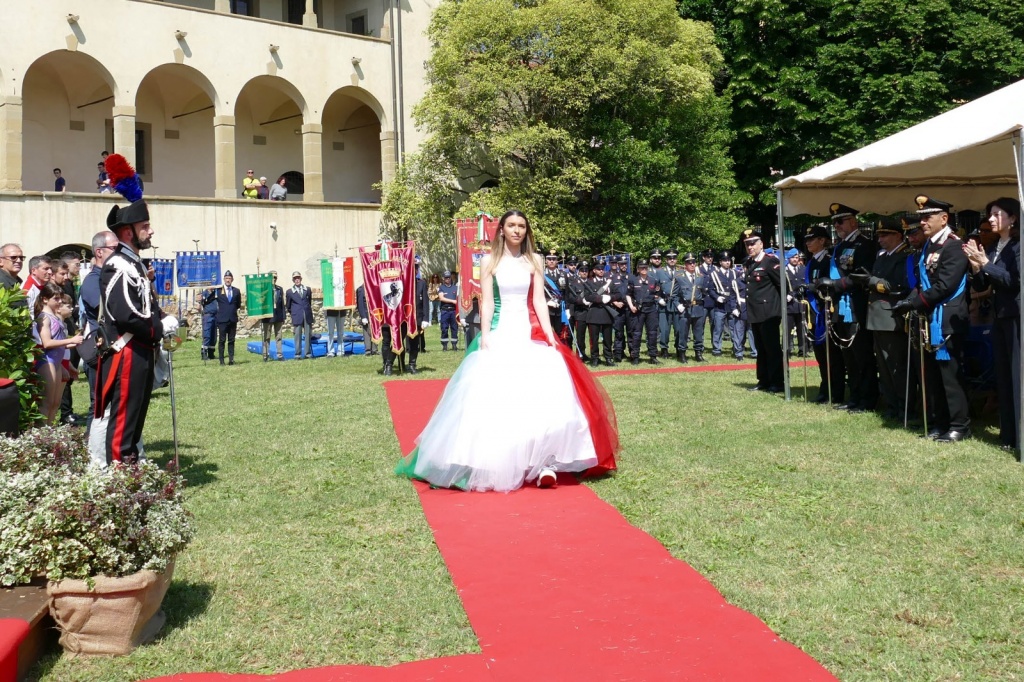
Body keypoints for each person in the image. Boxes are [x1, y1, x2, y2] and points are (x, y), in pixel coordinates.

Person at [395, 209, 618, 492]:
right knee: (497, 397)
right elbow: (486, 302)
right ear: (501, 230)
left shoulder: (534, 260)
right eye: (511, 225)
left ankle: (544, 462)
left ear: (527, 230)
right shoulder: (490, 260)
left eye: (521, 226)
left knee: (547, 392)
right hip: (501, 332)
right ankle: (494, 460)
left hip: (529, 333)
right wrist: (485, 335)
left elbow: (538, 301)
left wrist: (550, 334)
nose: (516, 230)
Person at [95, 161, 179, 465]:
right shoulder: (117, 265)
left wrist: (161, 317)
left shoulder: (136, 265)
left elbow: (145, 305)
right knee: (124, 421)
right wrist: (159, 326)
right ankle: (120, 473)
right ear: (128, 232)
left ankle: (130, 468)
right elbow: (128, 315)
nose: (150, 231)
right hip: (128, 350)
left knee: (137, 414)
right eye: (145, 227)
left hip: (142, 348)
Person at [893, 196, 972, 442]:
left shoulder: (955, 246)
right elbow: (923, 282)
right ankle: (940, 422)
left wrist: (913, 302)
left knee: (950, 376)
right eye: (921, 217)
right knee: (932, 377)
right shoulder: (928, 246)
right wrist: (909, 299)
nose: (922, 222)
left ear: (944, 218)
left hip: (947, 317)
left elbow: (945, 286)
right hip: (929, 319)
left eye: (928, 217)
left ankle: (960, 425)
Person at [964, 197, 1020, 454]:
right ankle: (1008, 434)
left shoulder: (1018, 246)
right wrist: (977, 268)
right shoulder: (996, 246)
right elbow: (981, 286)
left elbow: (1013, 282)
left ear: (1013, 218)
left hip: (1016, 319)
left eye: (998, 214)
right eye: (990, 215)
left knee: (1016, 376)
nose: (991, 219)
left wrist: (985, 264)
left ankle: (1019, 434)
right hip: (999, 317)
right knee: (1002, 376)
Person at [815, 203, 878, 412]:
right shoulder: (839, 247)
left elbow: (863, 274)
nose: (837, 226)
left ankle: (868, 399)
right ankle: (855, 396)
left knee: (862, 355)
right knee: (848, 355)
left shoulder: (865, 245)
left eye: (840, 221)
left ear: (853, 221)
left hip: (856, 305)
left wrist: (836, 284)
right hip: (839, 306)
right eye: (834, 222)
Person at [849, 218, 911, 419]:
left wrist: (871, 281)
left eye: (885, 235)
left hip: (891, 317)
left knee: (896, 366)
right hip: (876, 317)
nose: (880, 239)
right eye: (879, 235)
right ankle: (892, 406)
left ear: (898, 236)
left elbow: (899, 286)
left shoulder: (904, 256)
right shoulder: (882, 256)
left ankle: (906, 408)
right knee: (884, 367)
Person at [79, 230, 118, 434]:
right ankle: (91, 449)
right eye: (114, 248)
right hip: (99, 348)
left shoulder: (108, 278)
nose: (119, 252)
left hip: (112, 348)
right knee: (99, 404)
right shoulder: (93, 281)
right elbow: (107, 308)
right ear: (99, 252)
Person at [804, 225, 846, 404]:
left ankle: (836, 391)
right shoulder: (812, 261)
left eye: (812, 239)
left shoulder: (829, 260)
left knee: (832, 356)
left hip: (827, 311)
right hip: (815, 313)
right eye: (807, 240)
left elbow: (832, 284)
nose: (808, 243)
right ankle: (825, 387)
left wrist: (816, 288)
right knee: (821, 355)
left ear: (822, 240)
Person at [742, 229, 784, 392]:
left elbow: (782, 285)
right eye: (747, 244)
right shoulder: (749, 263)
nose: (750, 247)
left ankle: (777, 382)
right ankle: (763, 380)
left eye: (753, 243)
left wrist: (781, 308)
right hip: (755, 312)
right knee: (760, 348)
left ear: (761, 244)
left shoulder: (770, 262)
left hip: (769, 313)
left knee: (772, 349)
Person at [34, 283, 83, 424]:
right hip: (47, 361)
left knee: (55, 403)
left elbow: (57, 342)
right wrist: (70, 340)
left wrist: (71, 343)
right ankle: (41, 436)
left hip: (56, 362)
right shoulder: (44, 317)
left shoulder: (53, 316)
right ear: (45, 299)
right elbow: (47, 343)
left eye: (60, 298)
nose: (60, 301)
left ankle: (49, 434)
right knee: (47, 403)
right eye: (56, 299)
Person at [673, 252, 706, 363]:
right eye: (689, 263)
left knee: (698, 333)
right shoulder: (679, 277)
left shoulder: (700, 277)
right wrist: (678, 305)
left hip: (698, 308)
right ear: (685, 264)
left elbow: (703, 293)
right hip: (685, 309)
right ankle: (682, 353)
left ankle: (698, 353)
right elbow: (674, 295)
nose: (692, 265)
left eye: (693, 262)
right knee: (683, 333)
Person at [583, 262, 618, 366]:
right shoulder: (589, 282)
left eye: (602, 269)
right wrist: (601, 298)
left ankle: (608, 358)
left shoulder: (609, 282)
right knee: (594, 339)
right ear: (594, 270)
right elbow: (588, 297)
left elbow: (618, 294)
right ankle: (595, 358)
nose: (601, 271)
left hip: (607, 313)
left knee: (607, 339)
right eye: (598, 269)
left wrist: (610, 298)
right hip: (594, 313)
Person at [627, 258, 660, 365]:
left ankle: (653, 356)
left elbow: (658, 293)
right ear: (638, 269)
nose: (644, 269)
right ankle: (635, 356)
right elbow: (628, 294)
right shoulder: (633, 280)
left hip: (651, 309)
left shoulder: (653, 280)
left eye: (645, 267)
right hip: (638, 310)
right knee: (636, 334)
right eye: (642, 267)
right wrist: (631, 306)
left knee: (652, 333)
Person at [705, 251, 736, 357]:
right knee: (718, 328)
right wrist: (717, 297)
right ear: (720, 262)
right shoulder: (714, 274)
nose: (727, 262)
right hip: (720, 306)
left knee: (734, 328)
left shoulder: (735, 273)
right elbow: (710, 289)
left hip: (732, 304)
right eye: (725, 260)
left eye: (728, 260)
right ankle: (717, 349)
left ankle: (736, 348)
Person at [783, 248, 807, 357]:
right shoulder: (784, 271)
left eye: (797, 258)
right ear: (789, 258)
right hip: (788, 305)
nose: (795, 259)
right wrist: (786, 296)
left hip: (800, 304)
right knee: (788, 329)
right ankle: (787, 350)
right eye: (793, 257)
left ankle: (803, 349)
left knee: (802, 328)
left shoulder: (803, 270)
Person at [286, 271, 314, 359]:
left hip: (307, 314)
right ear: (293, 280)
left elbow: (309, 301)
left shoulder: (307, 289)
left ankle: (307, 353)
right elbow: (288, 305)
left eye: (298, 278)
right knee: (297, 335)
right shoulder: (289, 292)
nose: (297, 280)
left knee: (308, 334)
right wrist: (294, 312)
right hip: (297, 315)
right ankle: (297, 354)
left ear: (301, 279)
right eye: (295, 278)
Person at [216, 271, 242, 365]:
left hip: (232, 319)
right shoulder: (218, 291)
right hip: (222, 320)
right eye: (226, 278)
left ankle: (231, 359)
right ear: (224, 279)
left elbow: (238, 304)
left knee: (231, 340)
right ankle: (221, 360)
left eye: (229, 278)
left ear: (232, 279)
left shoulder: (236, 291)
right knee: (222, 340)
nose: (228, 280)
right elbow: (210, 299)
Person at [262, 271, 287, 361]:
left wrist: (284, 316)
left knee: (279, 336)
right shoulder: (264, 289)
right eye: (272, 278)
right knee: (267, 336)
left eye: (275, 278)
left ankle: (280, 354)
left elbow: (282, 304)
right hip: (268, 316)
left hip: (278, 315)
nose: (274, 279)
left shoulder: (279, 289)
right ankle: (265, 354)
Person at [542, 250, 566, 339]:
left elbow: (566, 292)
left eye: (553, 259)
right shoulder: (541, 274)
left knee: (561, 335)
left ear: (557, 261)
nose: (551, 261)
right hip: (546, 309)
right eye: (549, 259)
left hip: (560, 309)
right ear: (546, 261)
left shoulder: (563, 274)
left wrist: (567, 308)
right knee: (547, 334)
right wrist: (547, 301)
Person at [438, 270, 459, 350]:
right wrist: (452, 301)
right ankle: (445, 345)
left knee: (454, 328)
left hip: (453, 311)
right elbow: (441, 298)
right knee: (444, 328)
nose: (448, 279)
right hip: (445, 311)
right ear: (443, 278)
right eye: (446, 278)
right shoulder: (441, 288)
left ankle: (454, 344)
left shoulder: (455, 288)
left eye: (449, 277)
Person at [356, 283, 378, 355]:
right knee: (367, 332)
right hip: (366, 313)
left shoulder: (374, 287)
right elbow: (360, 304)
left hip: (375, 313)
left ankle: (374, 349)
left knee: (375, 331)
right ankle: (368, 350)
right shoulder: (361, 289)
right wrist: (363, 316)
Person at [200, 284, 219, 360]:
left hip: (215, 315)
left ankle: (211, 353)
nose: (212, 286)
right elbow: (199, 301)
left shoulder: (216, 293)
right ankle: (204, 353)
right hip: (208, 316)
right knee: (207, 335)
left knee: (213, 336)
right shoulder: (204, 293)